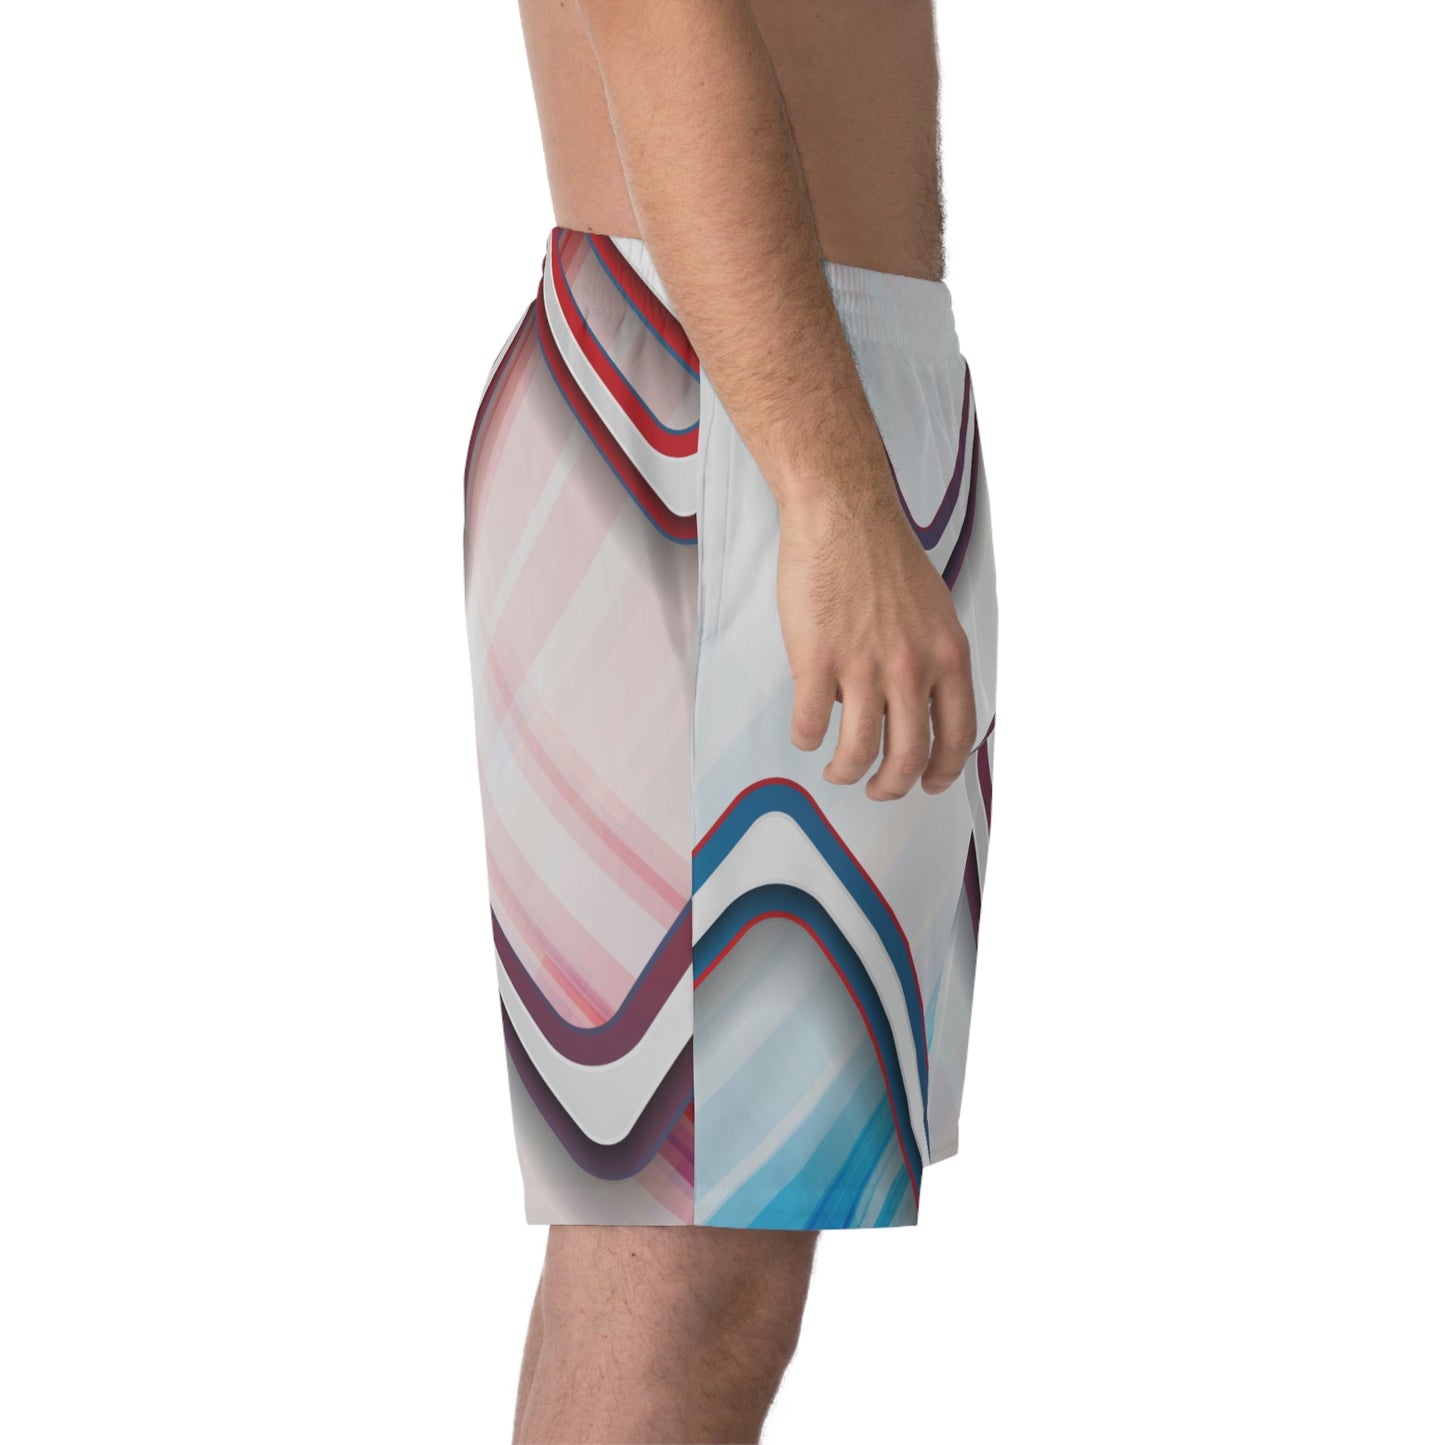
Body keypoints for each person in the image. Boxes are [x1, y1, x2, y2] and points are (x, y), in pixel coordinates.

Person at [461, 2, 999, 1440]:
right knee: (687, 1285)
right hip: (725, 405)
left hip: (804, 385)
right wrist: (827, 489)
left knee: (712, 1265)